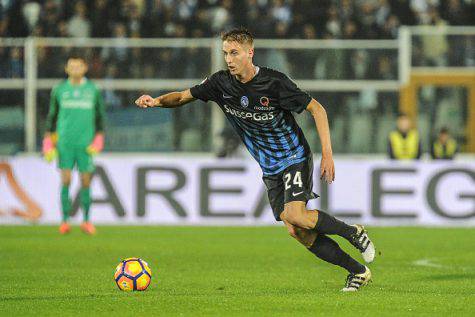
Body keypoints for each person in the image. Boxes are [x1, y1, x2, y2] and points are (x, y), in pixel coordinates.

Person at [135, 28, 375, 291]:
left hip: (293, 155)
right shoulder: (220, 83)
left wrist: (327, 153)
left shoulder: (275, 82)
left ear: (250, 53)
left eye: (234, 53)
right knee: (297, 230)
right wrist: (156, 101)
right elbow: (182, 97)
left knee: (297, 214)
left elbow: (317, 109)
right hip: (269, 166)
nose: (228, 59)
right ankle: (358, 271)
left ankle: (352, 232)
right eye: (225, 53)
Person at [43, 54, 105, 235]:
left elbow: (100, 115)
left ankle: (86, 220)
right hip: (65, 143)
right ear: (67, 69)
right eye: (72, 66)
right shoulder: (59, 90)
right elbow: (52, 116)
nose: (75, 69)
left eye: (79, 66)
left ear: (85, 68)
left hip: (86, 144)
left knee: (86, 181)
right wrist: (48, 140)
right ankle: (64, 221)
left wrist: (99, 137)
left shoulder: (93, 89)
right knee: (66, 179)